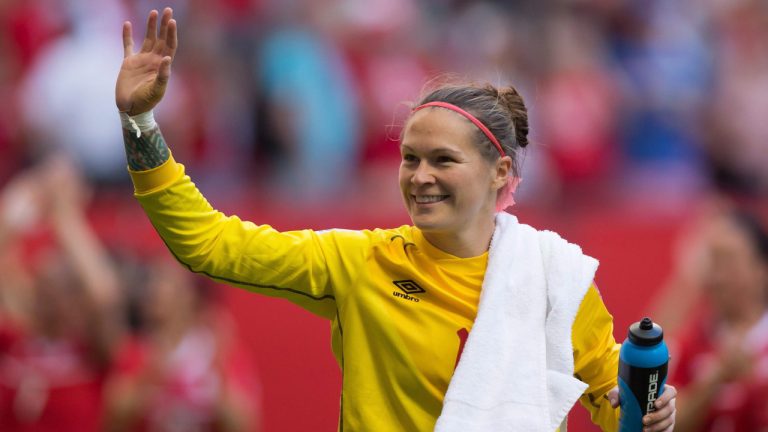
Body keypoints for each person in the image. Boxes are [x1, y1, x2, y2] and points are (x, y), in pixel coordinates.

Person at [115, 8, 677, 431]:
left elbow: (615, 405)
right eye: (410, 158)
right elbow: (208, 242)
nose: (419, 176)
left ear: (499, 172)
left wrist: (654, 415)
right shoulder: (360, 261)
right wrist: (140, 122)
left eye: (443, 160)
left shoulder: (555, 277)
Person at [659, 207, 768, 431]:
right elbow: (665, 424)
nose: (716, 276)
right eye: (712, 262)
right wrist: (716, 379)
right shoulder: (691, 343)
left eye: (727, 261)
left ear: (761, 268)